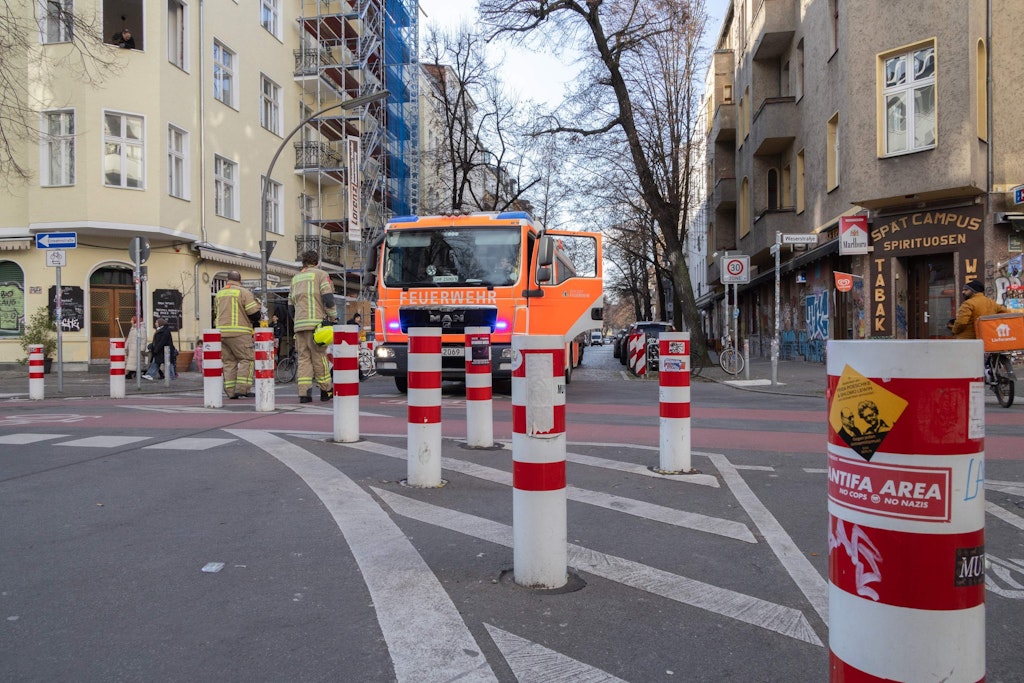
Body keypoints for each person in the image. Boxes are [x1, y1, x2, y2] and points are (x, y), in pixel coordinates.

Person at [289, 250, 337, 403]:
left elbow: (290, 305)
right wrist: (333, 316)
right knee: (319, 357)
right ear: (317, 262)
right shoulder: (321, 275)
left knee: (303, 359)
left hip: (299, 325)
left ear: (303, 262)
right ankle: (326, 390)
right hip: (316, 324)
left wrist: (296, 321)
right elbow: (328, 298)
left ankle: (304, 394)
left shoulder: (295, 279)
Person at [215, 271, 261, 399]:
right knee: (247, 359)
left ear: (227, 280)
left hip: (222, 333)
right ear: (240, 280)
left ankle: (230, 391)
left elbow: (216, 312)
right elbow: (253, 314)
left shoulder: (219, 293)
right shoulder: (244, 292)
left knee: (229, 362)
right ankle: (243, 388)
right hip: (239, 333)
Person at [124, 315, 141, 380]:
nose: (130, 321)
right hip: (131, 348)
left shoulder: (138, 328)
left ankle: (130, 374)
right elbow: (129, 339)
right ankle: (130, 374)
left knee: (133, 363)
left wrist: (140, 348)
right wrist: (126, 346)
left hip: (135, 348)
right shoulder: (133, 328)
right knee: (131, 363)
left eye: (131, 320)